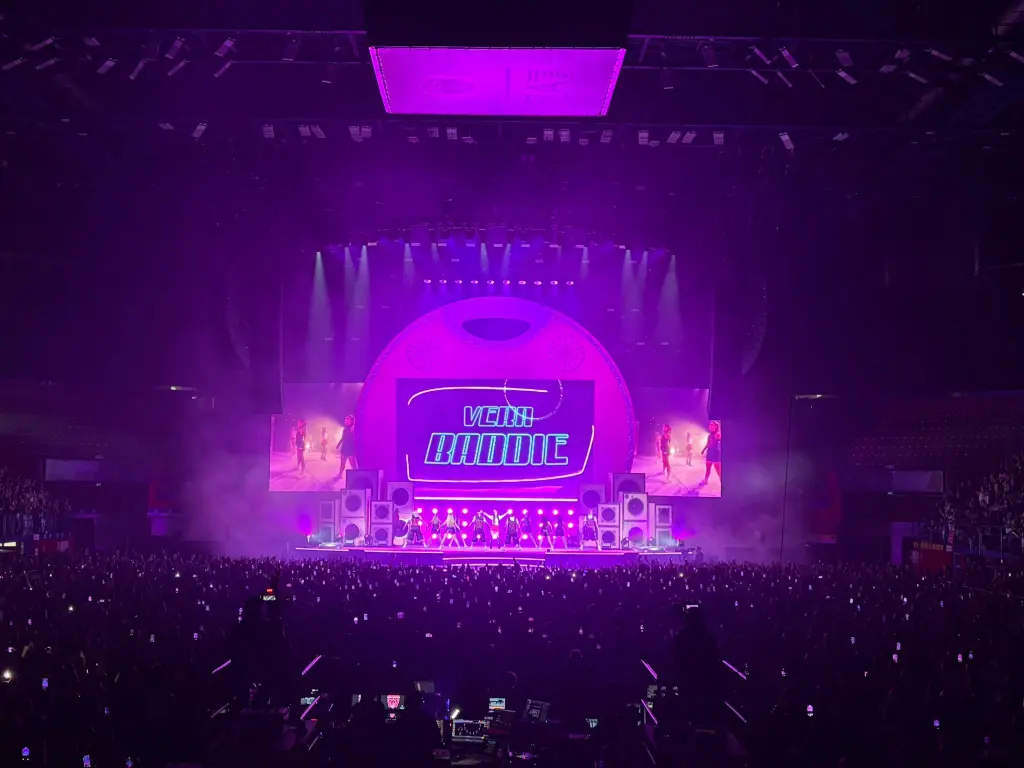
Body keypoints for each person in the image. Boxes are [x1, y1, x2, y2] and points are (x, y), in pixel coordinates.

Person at [335, 415, 358, 481]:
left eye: (347, 419)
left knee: (353, 464)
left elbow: (357, 439)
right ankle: (340, 475)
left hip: (351, 449)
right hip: (344, 448)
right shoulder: (344, 429)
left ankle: (357, 476)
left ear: (352, 420)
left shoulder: (354, 428)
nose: (345, 420)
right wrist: (338, 444)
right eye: (345, 419)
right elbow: (342, 438)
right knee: (342, 464)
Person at [699, 421, 722, 487]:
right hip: (709, 453)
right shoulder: (709, 435)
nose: (710, 426)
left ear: (716, 426)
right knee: (708, 469)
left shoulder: (718, 434)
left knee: (718, 471)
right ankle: (705, 481)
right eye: (710, 425)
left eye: (712, 425)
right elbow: (707, 444)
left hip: (716, 454)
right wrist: (703, 450)